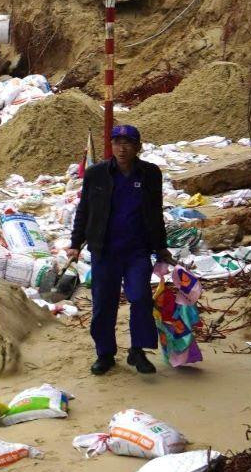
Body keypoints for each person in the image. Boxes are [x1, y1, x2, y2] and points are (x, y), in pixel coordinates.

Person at [69, 125, 175, 376]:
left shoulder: (150, 174)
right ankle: (105, 354)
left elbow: (155, 212)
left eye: (128, 143)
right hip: (104, 250)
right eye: (117, 142)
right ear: (111, 146)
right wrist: (75, 243)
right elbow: (84, 210)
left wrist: (161, 247)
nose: (122, 148)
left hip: (137, 250)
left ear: (138, 146)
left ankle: (137, 351)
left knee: (140, 298)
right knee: (104, 303)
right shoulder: (96, 174)